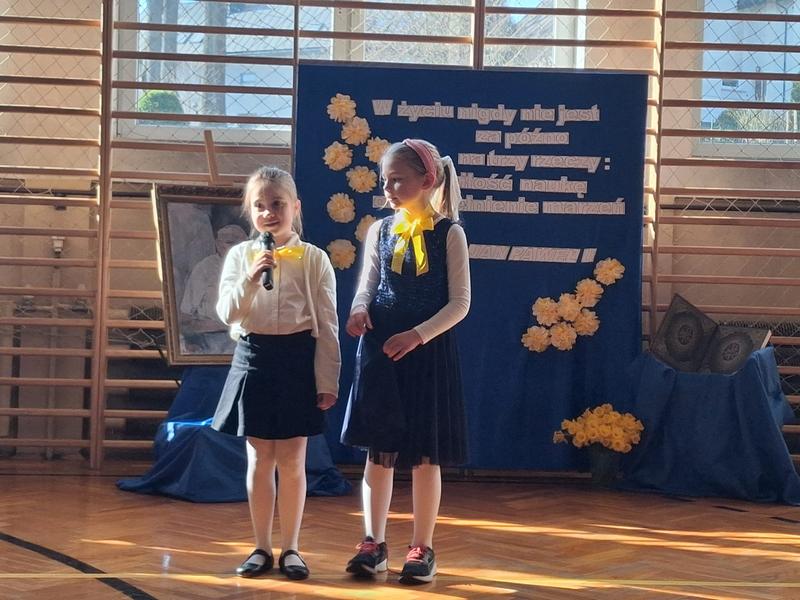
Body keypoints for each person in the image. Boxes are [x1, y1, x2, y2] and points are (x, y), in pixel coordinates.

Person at [341, 139, 471, 585]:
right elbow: (367, 284)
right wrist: (359, 309)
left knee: (424, 456)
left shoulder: (449, 233)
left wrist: (418, 335)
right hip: (381, 352)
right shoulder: (380, 230)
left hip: (427, 354)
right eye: (385, 180)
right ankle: (373, 543)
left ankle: (422, 547)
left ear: (427, 180)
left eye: (397, 180)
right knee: (378, 452)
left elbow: (460, 304)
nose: (388, 189)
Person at [211, 166, 340, 581]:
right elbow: (227, 313)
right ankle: (261, 547)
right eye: (260, 206)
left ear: (295, 207)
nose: (268, 213)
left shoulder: (314, 258)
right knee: (259, 457)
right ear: (250, 211)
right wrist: (251, 278)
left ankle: (292, 548)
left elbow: (327, 325)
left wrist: (327, 380)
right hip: (254, 357)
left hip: (297, 360)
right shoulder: (239, 256)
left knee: (292, 459)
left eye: (277, 204)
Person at [179, 223, 248, 354]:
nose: (236, 247)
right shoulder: (204, 269)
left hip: (246, 337)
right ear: (218, 244)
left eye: (240, 243)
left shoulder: (253, 266)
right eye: (230, 242)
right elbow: (185, 315)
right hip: (211, 338)